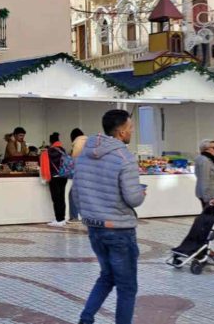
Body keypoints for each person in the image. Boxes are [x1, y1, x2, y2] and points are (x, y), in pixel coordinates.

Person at [72, 109, 145, 324]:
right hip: (119, 229)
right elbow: (133, 198)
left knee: (107, 276)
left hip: (95, 228)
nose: (132, 132)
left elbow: (75, 192)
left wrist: (90, 213)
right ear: (122, 132)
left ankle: (86, 318)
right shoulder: (124, 157)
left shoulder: (84, 153)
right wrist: (141, 192)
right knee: (127, 286)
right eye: (131, 128)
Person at [194, 139, 214, 209]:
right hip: (210, 195)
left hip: (212, 193)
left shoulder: (210, 159)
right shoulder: (205, 161)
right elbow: (204, 180)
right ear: (206, 149)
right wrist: (207, 199)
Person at [47, 132, 68, 227]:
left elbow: (45, 166)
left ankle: (58, 219)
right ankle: (62, 218)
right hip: (64, 176)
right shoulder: (63, 150)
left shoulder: (49, 151)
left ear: (51, 141)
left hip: (55, 177)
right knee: (62, 197)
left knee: (56, 198)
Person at [68, 128, 87, 223]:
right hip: (93, 172)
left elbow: (74, 161)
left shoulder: (77, 144)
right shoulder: (89, 141)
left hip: (82, 173)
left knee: (73, 194)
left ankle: (74, 217)